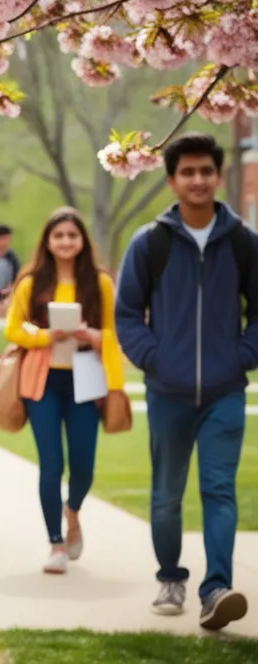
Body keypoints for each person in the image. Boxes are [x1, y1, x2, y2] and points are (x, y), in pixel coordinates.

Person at [115, 133, 256, 630]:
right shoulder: (149, 242)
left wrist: (241, 356)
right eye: (187, 172)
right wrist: (156, 360)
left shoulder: (243, 242)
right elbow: (127, 314)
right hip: (167, 390)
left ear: (218, 177)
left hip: (224, 390)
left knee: (219, 490)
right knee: (167, 494)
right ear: (172, 180)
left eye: (206, 171)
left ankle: (216, 589)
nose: (198, 180)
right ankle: (171, 576)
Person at [4, 208, 125, 574]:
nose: (66, 242)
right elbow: (13, 329)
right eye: (59, 236)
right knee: (51, 464)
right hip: (42, 380)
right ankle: (55, 543)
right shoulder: (30, 283)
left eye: (73, 235)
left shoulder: (100, 283)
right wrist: (45, 336)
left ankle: (72, 510)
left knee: (84, 465)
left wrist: (92, 336)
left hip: (86, 379)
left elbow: (117, 332)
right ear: (48, 242)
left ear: (82, 241)